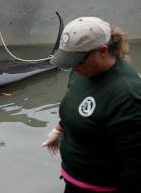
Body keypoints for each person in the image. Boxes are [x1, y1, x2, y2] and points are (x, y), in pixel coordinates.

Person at [42, 17, 140, 193]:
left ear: (102, 51)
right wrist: (59, 129)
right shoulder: (82, 71)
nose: (72, 67)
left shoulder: (127, 94)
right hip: (73, 178)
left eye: (77, 61)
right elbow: (77, 101)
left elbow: (135, 164)